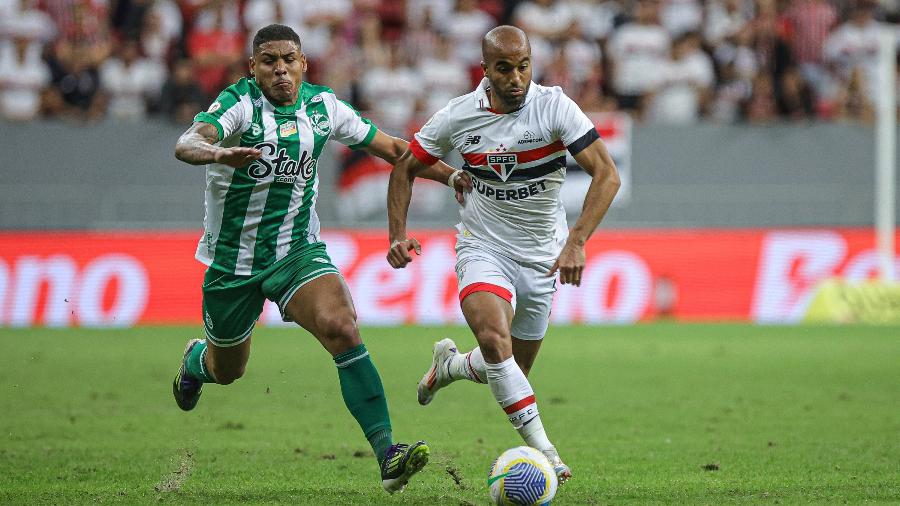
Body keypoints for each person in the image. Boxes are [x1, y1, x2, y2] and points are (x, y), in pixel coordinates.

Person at [171, 24, 467, 494]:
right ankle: (195, 363)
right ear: (254, 67)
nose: (280, 69)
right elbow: (187, 142)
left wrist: (452, 177)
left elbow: (394, 150)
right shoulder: (238, 104)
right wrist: (218, 152)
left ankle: (388, 453)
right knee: (228, 371)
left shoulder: (323, 106)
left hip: (296, 252)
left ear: (304, 63)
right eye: (269, 60)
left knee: (343, 326)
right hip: (233, 263)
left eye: (289, 59)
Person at [386, 25, 621, 484]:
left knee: (512, 367)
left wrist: (576, 241)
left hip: (543, 256)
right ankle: (547, 454)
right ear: (485, 70)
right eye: (504, 68)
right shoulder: (459, 115)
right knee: (496, 344)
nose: (516, 78)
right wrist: (398, 233)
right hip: (483, 246)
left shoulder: (553, 106)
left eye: (523, 66)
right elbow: (405, 166)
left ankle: (450, 366)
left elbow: (607, 175)